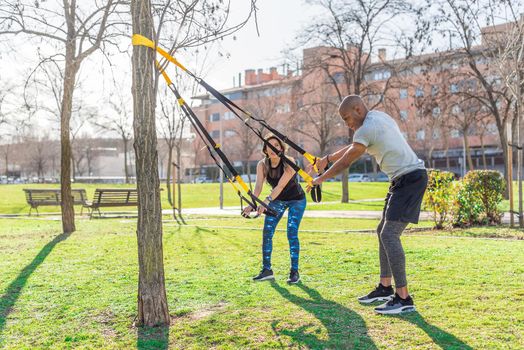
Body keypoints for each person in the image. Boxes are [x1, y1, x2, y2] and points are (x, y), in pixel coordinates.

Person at [308, 95, 427, 314]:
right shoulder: (377, 117)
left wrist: (320, 178)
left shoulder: (365, 130)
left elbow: (347, 160)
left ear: (357, 109)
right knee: (381, 230)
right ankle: (384, 287)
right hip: (402, 179)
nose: (347, 124)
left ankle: (403, 298)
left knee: (390, 235)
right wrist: (327, 159)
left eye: (347, 118)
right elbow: (352, 148)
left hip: (410, 179)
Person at [244, 134, 307, 284]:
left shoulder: (290, 162)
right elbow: (258, 186)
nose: (272, 148)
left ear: (281, 148)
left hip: (296, 200)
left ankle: (294, 272)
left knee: (291, 232)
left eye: (276, 145)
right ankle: (267, 270)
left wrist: (266, 201)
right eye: (269, 145)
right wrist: (252, 203)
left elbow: (280, 186)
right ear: (265, 148)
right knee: (267, 232)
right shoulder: (262, 164)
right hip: (277, 200)